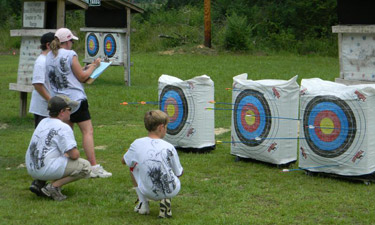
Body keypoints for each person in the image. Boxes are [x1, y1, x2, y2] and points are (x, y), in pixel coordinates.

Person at [46, 28, 111, 178]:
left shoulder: (49, 55)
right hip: (76, 99)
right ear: (67, 41)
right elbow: (82, 77)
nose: (72, 44)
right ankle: (93, 167)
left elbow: (66, 73)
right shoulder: (70, 54)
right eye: (71, 41)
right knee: (87, 131)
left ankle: (67, 164)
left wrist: (84, 69)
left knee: (67, 132)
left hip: (59, 100)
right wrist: (94, 66)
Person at [25, 95, 91, 201]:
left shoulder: (43, 121)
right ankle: (53, 187)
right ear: (62, 111)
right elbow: (74, 155)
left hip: (32, 167)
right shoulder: (63, 127)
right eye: (69, 109)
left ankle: (39, 182)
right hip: (44, 168)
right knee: (85, 166)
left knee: (59, 155)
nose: (71, 112)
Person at [122, 110, 184, 218]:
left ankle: (143, 203)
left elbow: (124, 161)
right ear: (161, 127)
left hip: (148, 191)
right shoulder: (169, 147)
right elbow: (179, 172)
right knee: (168, 168)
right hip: (172, 189)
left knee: (132, 165)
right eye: (166, 127)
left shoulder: (137, 143)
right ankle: (165, 198)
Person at [29, 32, 55, 128]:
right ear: (48, 45)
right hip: (42, 108)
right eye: (56, 44)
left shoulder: (49, 60)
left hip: (49, 108)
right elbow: (37, 84)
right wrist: (50, 100)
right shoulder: (41, 61)